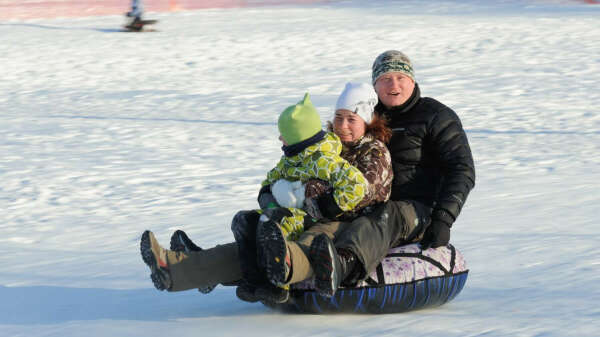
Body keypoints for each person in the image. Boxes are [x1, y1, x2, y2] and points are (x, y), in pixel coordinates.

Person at [140, 84, 394, 302]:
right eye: (339, 117)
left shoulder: (374, 151)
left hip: (341, 223)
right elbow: (286, 171)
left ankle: (281, 274)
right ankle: (172, 268)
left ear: (367, 120)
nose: (343, 125)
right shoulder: (318, 144)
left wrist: (316, 199)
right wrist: (272, 195)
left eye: (351, 119)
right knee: (251, 238)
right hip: (299, 213)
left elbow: (363, 193)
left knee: (305, 241)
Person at [295, 50, 476, 297]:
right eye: (386, 78)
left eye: (401, 77)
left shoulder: (436, 116)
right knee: (324, 221)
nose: (394, 85)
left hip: (416, 209)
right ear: (375, 85)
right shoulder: (363, 115)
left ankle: (344, 263)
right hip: (362, 204)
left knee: (387, 214)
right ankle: (288, 263)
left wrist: (443, 217)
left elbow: (462, 169)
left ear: (412, 81)